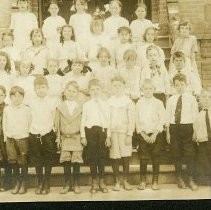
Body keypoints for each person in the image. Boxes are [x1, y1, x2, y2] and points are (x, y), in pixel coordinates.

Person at [166, 73, 198, 191]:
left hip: (188, 127)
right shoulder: (171, 99)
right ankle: (179, 177)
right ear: (174, 86)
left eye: (182, 84)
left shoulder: (191, 99)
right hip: (174, 128)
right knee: (176, 153)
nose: (180, 87)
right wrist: (168, 132)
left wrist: (195, 131)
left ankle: (190, 178)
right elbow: (167, 116)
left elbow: (195, 116)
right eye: (177, 85)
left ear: (186, 85)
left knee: (189, 153)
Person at [28, 76, 57, 195]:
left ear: (47, 88)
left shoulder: (52, 101)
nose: (41, 90)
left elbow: (54, 118)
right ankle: (40, 182)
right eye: (38, 88)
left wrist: (52, 132)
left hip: (48, 133)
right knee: (37, 159)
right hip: (35, 133)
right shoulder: (30, 102)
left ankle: (47, 182)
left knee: (48, 159)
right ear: (34, 89)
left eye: (43, 87)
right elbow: (29, 118)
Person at [80, 79, 110, 194]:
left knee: (102, 157)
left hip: (102, 132)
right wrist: (83, 136)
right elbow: (83, 121)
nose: (95, 91)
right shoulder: (86, 105)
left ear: (101, 90)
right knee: (92, 157)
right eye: (92, 89)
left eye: (97, 89)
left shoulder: (105, 104)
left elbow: (108, 121)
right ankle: (94, 182)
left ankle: (102, 181)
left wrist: (108, 136)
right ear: (89, 91)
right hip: (90, 132)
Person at [136, 79, 165, 190]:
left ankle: (155, 181)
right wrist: (143, 134)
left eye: (150, 89)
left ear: (154, 90)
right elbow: (137, 120)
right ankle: (142, 180)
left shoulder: (158, 103)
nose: (148, 91)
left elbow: (162, 118)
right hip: (143, 135)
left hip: (156, 135)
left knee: (155, 157)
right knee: (143, 158)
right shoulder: (139, 103)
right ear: (142, 90)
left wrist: (155, 134)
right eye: (145, 89)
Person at [55, 81, 84, 194]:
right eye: (69, 90)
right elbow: (57, 124)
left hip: (76, 136)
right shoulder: (60, 107)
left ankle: (76, 183)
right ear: (65, 92)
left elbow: (83, 122)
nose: (71, 93)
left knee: (76, 161)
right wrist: (58, 137)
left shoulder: (80, 107)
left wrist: (82, 136)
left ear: (77, 93)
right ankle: (67, 183)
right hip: (65, 137)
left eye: (74, 91)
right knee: (66, 161)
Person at [107, 75, 135, 191]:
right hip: (113, 133)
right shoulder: (109, 101)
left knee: (125, 156)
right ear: (111, 87)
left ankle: (126, 180)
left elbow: (132, 120)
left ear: (124, 86)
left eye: (119, 86)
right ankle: (116, 181)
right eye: (115, 86)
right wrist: (108, 136)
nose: (117, 88)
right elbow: (107, 120)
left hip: (124, 133)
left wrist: (129, 134)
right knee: (115, 156)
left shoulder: (128, 102)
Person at [3, 86, 31, 194]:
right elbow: (5, 124)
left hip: (23, 139)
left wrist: (26, 136)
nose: (17, 98)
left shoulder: (27, 109)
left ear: (23, 97)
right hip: (10, 139)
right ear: (10, 97)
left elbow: (29, 123)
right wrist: (6, 137)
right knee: (13, 162)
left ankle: (24, 184)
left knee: (23, 162)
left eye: (20, 96)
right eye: (14, 96)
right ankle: (17, 183)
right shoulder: (7, 109)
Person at [193, 89, 211, 185]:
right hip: (203, 141)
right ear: (200, 100)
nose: (207, 100)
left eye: (209, 97)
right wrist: (197, 139)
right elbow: (196, 129)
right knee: (203, 158)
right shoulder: (198, 115)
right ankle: (205, 179)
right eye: (204, 97)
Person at [0, 86, 12, 192]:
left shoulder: (8, 107)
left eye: (1, 95)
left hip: (4, 136)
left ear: (4, 96)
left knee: (6, 158)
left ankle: (7, 182)